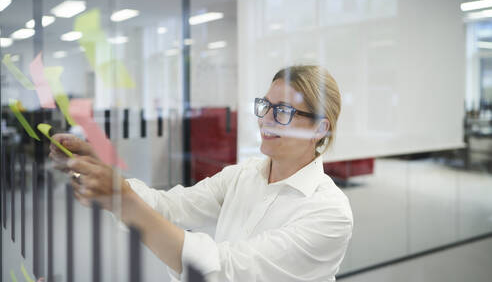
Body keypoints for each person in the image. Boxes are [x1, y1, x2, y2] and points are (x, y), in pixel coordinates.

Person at [50, 65, 353, 282]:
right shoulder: (242, 175)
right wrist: (106, 177)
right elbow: (170, 208)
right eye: (265, 106)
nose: (266, 120)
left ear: (319, 128)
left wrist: (123, 197)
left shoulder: (329, 212)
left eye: (283, 111)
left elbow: (226, 270)